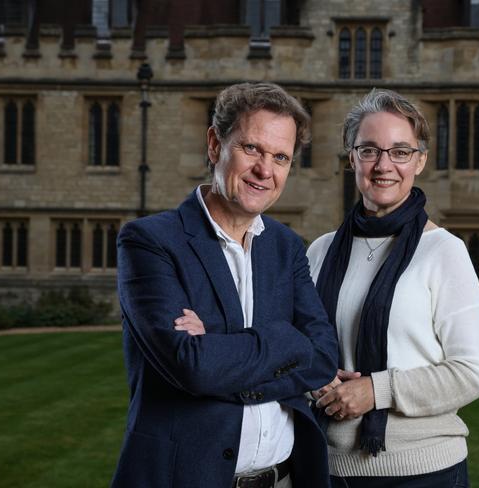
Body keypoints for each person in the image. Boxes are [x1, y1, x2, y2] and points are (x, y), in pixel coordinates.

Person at [111, 82, 338, 488]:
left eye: (280, 157)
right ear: (216, 144)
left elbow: (321, 356)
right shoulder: (150, 241)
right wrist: (287, 341)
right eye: (252, 149)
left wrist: (219, 346)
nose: (265, 171)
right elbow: (193, 367)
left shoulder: (285, 246)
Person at [307, 89, 479, 488]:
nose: (384, 165)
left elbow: (474, 373)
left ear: (420, 160)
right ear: (351, 157)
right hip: (325, 467)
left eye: (401, 152)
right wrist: (314, 378)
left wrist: (377, 390)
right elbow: (297, 349)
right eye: (370, 150)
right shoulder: (321, 251)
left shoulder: (444, 251)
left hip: (421, 472)